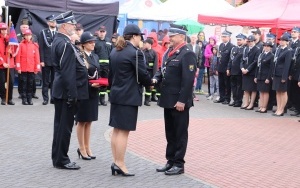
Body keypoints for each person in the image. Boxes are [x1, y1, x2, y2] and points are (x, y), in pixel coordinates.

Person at [109, 24, 153, 176]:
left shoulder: (115, 50)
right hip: (128, 96)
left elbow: (110, 75)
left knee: (116, 130)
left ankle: (116, 161)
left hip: (116, 94)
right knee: (124, 132)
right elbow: (142, 74)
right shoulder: (135, 53)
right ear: (134, 36)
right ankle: (120, 163)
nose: (141, 39)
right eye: (140, 36)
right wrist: (151, 82)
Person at [153, 24, 197, 176]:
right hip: (168, 99)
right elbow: (162, 70)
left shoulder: (187, 54)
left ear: (181, 37)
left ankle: (179, 163)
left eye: (172, 36)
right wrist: (154, 79)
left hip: (179, 102)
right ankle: (170, 160)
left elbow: (188, 81)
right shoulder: (170, 52)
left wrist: (182, 101)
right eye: (169, 36)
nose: (169, 38)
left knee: (180, 133)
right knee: (170, 133)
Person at [51, 11, 89, 170]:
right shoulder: (65, 44)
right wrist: (72, 95)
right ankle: (62, 159)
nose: (74, 26)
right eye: (72, 24)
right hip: (66, 92)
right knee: (64, 127)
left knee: (59, 126)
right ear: (65, 26)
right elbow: (68, 73)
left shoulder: (58, 41)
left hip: (60, 91)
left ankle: (57, 157)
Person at [76, 31, 101, 160]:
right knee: (81, 120)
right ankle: (81, 148)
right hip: (84, 91)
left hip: (93, 91)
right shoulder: (80, 56)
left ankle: (87, 146)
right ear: (84, 44)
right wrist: (90, 85)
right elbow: (78, 76)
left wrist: (101, 82)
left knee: (89, 120)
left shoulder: (95, 56)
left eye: (93, 42)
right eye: (90, 42)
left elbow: (98, 72)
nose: (93, 44)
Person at [16, 29, 41, 105]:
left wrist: (37, 68)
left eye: (29, 35)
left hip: (31, 68)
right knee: (23, 84)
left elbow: (37, 58)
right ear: (24, 36)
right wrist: (18, 68)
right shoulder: (20, 45)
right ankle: (24, 99)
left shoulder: (34, 45)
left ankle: (29, 99)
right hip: (23, 68)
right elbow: (18, 57)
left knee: (30, 84)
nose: (27, 37)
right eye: (26, 35)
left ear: (31, 36)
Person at [38, 15, 57, 105]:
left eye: (54, 22)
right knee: (45, 81)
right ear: (48, 23)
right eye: (51, 21)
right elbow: (41, 47)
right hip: (46, 60)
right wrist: (41, 60)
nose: (53, 23)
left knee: (55, 80)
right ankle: (45, 98)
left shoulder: (58, 33)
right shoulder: (43, 32)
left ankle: (53, 97)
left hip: (56, 61)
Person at [272, 34, 292, 116]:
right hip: (277, 73)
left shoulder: (288, 51)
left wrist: (284, 76)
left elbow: (287, 65)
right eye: (281, 40)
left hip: (282, 74)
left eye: (284, 40)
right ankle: (278, 107)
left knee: (283, 92)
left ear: (287, 42)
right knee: (278, 91)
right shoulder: (279, 50)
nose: (281, 41)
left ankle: (282, 109)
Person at [240, 35, 260, 110]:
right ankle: (246, 102)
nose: (250, 43)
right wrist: (242, 68)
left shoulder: (257, 49)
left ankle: (251, 103)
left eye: (251, 41)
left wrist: (247, 69)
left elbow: (255, 61)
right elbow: (242, 59)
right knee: (246, 88)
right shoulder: (246, 49)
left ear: (254, 41)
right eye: (248, 41)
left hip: (252, 72)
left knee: (253, 89)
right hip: (244, 70)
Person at [94, 25, 112, 106]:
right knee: (97, 82)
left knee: (104, 83)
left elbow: (112, 54)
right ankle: (97, 99)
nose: (102, 33)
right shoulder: (95, 41)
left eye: (103, 32)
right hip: (98, 66)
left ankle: (102, 99)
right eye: (100, 32)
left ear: (106, 32)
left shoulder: (109, 41)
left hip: (107, 66)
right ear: (98, 32)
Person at [214, 30, 234, 104]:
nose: (223, 38)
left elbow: (230, 59)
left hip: (226, 68)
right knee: (221, 83)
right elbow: (218, 57)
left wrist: (228, 68)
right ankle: (221, 97)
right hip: (220, 67)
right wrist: (217, 67)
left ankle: (227, 98)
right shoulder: (221, 45)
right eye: (222, 36)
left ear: (229, 37)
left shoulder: (231, 46)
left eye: (225, 37)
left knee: (227, 84)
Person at [254, 41, 274, 113]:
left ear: (271, 48)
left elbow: (271, 68)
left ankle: (264, 107)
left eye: (268, 46)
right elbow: (258, 66)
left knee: (265, 92)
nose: (266, 47)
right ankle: (261, 106)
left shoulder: (271, 56)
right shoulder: (261, 55)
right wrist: (256, 76)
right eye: (265, 46)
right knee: (261, 92)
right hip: (260, 75)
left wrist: (268, 78)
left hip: (266, 76)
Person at [227, 33, 246, 107]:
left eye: (240, 40)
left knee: (239, 87)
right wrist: (228, 68)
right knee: (233, 86)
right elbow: (230, 59)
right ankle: (234, 99)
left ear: (244, 40)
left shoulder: (244, 49)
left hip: (239, 71)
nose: (238, 41)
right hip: (233, 70)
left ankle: (238, 100)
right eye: (238, 40)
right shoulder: (234, 48)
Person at [0, 22, 16, 105]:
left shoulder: (11, 39)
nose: (4, 31)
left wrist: (11, 52)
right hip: (1, 65)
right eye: (2, 29)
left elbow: (15, 50)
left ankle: (9, 98)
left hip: (10, 63)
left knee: (11, 81)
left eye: (5, 29)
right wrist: (3, 63)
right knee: (2, 82)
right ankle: (3, 98)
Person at [187, 34, 202, 100]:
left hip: (195, 66)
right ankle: (189, 93)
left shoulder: (198, 47)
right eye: (192, 38)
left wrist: (198, 66)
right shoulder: (187, 46)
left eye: (194, 38)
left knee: (194, 80)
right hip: (188, 65)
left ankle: (192, 93)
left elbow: (200, 57)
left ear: (196, 39)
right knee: (188, 79)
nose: (193, 39)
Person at [143, 38, 158, 106]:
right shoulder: (143, 52)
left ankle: (147, 100)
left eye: (145, 43)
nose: (144, 44)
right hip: (144, 71)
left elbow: (155, 65)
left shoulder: (154, 53)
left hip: (150, 72)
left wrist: (154, 75)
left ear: (149, 44)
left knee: (149, 87)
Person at [289, 27, 300, 116]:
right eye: (292, 32)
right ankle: (295, 106)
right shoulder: (289, 43)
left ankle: (297, 108)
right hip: (293, 69)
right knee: (293, 90)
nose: (293, 33)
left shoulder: (298, 44)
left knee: (297, 90)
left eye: (295, 32)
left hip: (297, 70)